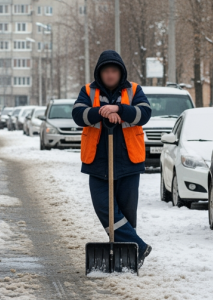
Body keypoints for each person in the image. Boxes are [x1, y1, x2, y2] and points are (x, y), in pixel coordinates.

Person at [72, 50, 153, 265]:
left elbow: (144, 113)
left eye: (114, 71)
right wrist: (103, 111)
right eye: (106, 71)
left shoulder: (134, 90)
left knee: (127, 211)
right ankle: (138, 247)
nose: (110, 75)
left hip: (128, 161)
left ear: (120, 72)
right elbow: (78, 115)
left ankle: (128, 257)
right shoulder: (88, 91)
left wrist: (119, 109)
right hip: (97, 162)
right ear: (100, 73)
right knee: (103, 208)